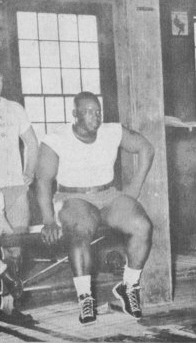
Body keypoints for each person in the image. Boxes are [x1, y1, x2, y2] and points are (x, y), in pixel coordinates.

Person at [35, 92, 155, 325]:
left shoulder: (111, 131)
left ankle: (128, 286)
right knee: (80, 230)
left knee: (142, 226)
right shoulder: (56, 138)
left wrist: (134, 188)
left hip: (108, 195)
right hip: (73, 197)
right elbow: (42, 181)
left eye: (98, 111)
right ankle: (85, 297)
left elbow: (146, 148)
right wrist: (49, 220)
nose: (96, 116)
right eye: (89, 112)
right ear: (75, 115)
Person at [0, 73, 39, 324]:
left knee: (15, 246)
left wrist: (29, 171)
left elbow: (32, 143)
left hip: (14, 186)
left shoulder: (13, 109)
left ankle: (9, 308)